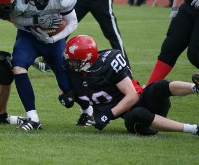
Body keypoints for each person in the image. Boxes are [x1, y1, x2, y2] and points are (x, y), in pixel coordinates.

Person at [64, 35, 199, 136]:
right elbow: (65, 84)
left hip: (139, 100)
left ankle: (195, 88)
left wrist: (108, 115)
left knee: (157, 87)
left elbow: (133, 96)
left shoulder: (108, 63)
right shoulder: (74, 73)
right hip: (134, 119)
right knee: (138, 114)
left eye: (75, 61)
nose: (71, 64)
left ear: (88, 58)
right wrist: (64, 95)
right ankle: (193, 129)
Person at [9, 0, 78, 130]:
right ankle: (33, 118)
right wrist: (36, 21)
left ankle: (88, 111)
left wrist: (53, 39)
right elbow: (15, 19)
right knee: (18, 66)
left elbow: (72, 23)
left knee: (68, 97)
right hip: (29, 35)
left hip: (54, 38)